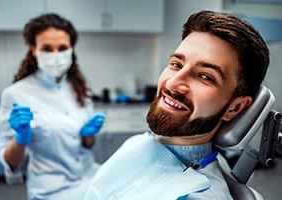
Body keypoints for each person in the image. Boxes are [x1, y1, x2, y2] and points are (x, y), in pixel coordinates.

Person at [84, 10, 269, 199]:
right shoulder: (141, 142)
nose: (172, 83)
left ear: (235, 108)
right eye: (176, 64)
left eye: (205, 77)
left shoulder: (196, 195)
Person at [0, 14, 105, 200]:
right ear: (34, 50)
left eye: (62, 48)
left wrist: (88, 136)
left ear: (71, 50)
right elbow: (10, 163)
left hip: (91, 176)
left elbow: (87, 146)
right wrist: (20, 139)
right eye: (47, 48)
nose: (56, 56)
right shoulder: (16, 94)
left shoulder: (80, 88)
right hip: (51, 190)